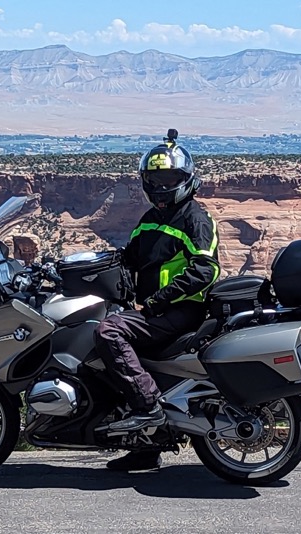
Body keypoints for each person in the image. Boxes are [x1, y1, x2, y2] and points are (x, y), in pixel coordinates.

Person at [94, 129, 220, 471]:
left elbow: (205, 271)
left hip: (180, 311)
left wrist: (153, 304)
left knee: (109, 333)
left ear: (186, 178)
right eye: (156, 178)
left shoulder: (196, 219)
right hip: (156, 310)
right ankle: (146, 447)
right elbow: (130, 259)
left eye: (169, 178)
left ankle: (148, 406)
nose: (163, 186)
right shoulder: (150, 221)